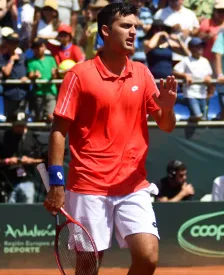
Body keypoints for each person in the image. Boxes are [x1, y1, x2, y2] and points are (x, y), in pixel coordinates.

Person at [43, 3, 177, 274]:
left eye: (135, 27)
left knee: (148, 258)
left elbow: (165, 125)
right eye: (125, 26)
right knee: (88, 268)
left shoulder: (142, 72)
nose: (133, 32)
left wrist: (169, 107)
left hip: (133, 184)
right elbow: (58, 130)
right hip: (89, 186)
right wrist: (56, 183)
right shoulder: (79, 75)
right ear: (105, 30)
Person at [1, 112, 44, 203]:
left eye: (22, 125)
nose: (20, 128)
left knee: (28, 207)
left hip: (28, 179)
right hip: (9, 181)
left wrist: (29, 160)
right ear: (13, 125)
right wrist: (7, 160)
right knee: (10, 207)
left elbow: (43, 159)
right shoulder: (5, 138)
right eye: (17, 125)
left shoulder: (32, 138)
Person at [27, 38, 58, 122]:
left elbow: (55, 76)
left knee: (51, 116)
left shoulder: (51, 59)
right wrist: (34, 75)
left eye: (39, 46)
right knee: (39, 118)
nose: (37, 49)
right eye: (35, 47)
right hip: (38, 93)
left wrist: (53, 74)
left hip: (51, 91)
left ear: (44, 47)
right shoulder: (31, 61)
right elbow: (30, 75)